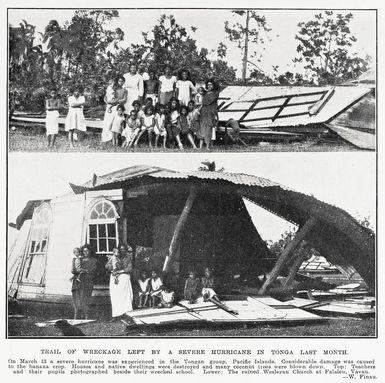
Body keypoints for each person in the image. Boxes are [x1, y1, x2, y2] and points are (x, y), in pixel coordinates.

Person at [106, 244, 134, 319]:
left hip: (124, 278)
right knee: (115, 296)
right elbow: (107, 267)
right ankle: (116, 315)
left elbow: (129, 269)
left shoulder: (128, 258)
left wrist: (119, 272)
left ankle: (126, 313)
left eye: (124, 249)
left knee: (125, 296)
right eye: (121, 249)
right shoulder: (114, 257)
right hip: (115, 279)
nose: (122, 251)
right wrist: (111, 264)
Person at [71, 245, 97, 319]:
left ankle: (86, 315)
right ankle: (76, 315)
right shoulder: (79, 259)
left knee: (85, 298)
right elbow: (75, 269)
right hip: (77, 282)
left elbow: (92, 271)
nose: (85, 252)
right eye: (84, 251)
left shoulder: (93, 260)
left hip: (87, 282)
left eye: (87, 250)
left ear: (90, 251)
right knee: (76, 298)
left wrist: (84, 272)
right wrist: (73, 270)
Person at [101, 77, 127, 145]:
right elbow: (106, 97)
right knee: (107, 123)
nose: (120, 83)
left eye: (122, 81)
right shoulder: (111, 89)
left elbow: (123, 99)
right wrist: (107, 102)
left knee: (114, 124)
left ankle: (113, 140)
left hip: (116, 107)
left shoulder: (124, 90)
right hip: (110, 106)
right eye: (119, 81)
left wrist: (115, 102)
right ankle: (105, 139)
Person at [197, 79, 219, 150]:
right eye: (208, 85)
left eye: (211, 84)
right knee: (202, 127)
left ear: (214, 85)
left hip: (210, 112)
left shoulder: (215, 93)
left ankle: (207, 146)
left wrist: (201, 103)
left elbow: (206, 102)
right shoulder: (205, 93)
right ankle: (200, 146)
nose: (209, 86)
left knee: (208, 129)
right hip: (204, 112)